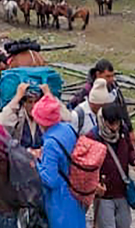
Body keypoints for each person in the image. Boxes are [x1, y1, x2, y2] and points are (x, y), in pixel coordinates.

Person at [36, 93, 87, 228]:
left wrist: (36, 163)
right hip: (76, 192)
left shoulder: (50, 143)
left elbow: (51, 180)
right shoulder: (69, 128)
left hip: (60, 200)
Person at [95, 103, 135, 228]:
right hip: (105, 194)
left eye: (117, 123)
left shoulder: (123, 131)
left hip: (122, 191)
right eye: (111, 124)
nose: (115, 127)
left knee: (124, 224)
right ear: (104, 121)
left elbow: (130, 149)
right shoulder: (94, 137)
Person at [68, 59, 132, 135]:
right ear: (98, 74)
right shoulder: (87, 91)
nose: (111, 79)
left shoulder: (113, 86)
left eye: (112, 76)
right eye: (108, 76)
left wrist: (130, 130)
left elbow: (122, 106)